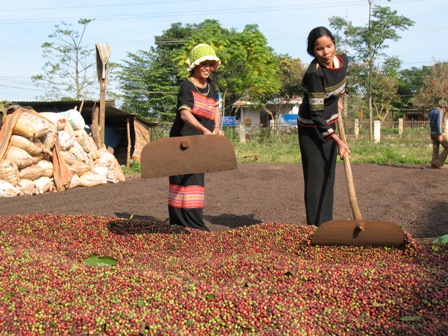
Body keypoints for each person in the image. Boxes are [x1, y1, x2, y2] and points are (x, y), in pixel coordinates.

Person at [297, 26, 350, 226]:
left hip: (331, 120)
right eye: (319, 49)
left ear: (334, 45)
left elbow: (342, 83)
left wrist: (340, 99)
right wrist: (338, 141)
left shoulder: (343, 60)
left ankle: (326, 223)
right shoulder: (314, 75)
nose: (326, 52)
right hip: (311, 127)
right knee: (316, 175)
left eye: (329, 46)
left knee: (329, 173)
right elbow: (317, 115)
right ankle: (315, 226)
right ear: (312, 51)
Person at [168, 43, 224, 231]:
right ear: (195, 65)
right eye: (204, 64)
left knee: (195, 183)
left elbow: (216, 108)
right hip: (183, 143)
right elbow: (185, 114)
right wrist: (203, 130)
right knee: (181, 183)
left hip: (201, 143)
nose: (207, 68)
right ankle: (182, 225)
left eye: (210, 64)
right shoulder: (187, 86)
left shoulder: (211, 87)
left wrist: (216, 128)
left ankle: (192, 225)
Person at [429, 100, 448, 169]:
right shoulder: (440, 111)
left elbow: (430, 123)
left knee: (435, 148)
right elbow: (439, 123)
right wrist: (440, 134)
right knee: (447, 147)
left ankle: (433, 164)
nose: (445, 109)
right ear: (443, 106)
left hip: (432, 132)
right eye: (445, 107)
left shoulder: (432, 112)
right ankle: (438, 162)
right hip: (438, 133)